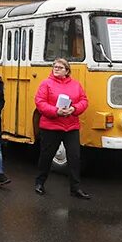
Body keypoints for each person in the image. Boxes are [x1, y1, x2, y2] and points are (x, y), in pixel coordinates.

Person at [34, 57, 91, 199]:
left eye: (60, 67)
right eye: (54, 66)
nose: (56, 68)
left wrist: (74, 108)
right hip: (51, 126)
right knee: (46, 156)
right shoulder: (46, 84)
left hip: (71, 126)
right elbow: (40, 102)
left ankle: (75, 189)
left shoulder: (76, 85)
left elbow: (84, 100)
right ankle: (39, 183)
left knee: (74, 157)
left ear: (67, 70)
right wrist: (56, 111)